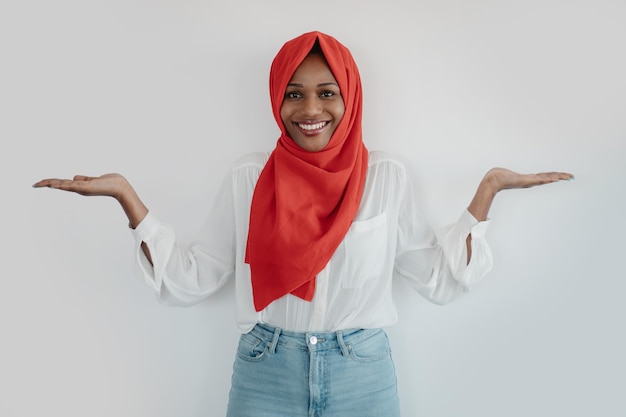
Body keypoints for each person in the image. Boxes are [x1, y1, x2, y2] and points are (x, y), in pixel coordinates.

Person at [33, 31, 573, 417]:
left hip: (362, 372)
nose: (309, 108)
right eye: (294, 93)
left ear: (350, 97)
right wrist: (129, 199)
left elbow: (435, 277)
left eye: (326, 92)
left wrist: (487, 193)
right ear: (276, 99)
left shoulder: (385, 176)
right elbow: (195, 276)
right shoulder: (250, 177)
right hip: (265, 370)